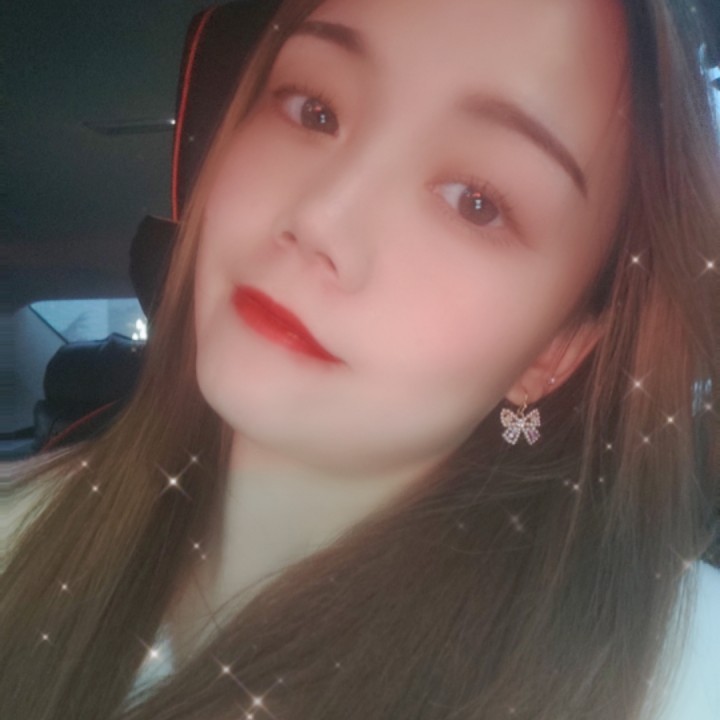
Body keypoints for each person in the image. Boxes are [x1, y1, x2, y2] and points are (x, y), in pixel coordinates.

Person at [2, 0, 719, 718]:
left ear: (554, 350)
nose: (320, 218)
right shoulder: (19, 524)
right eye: (314, 110)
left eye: (475, 202)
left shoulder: (679, 677)